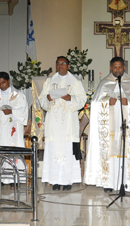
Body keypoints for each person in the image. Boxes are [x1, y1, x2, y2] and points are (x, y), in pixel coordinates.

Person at [84, 57, 130, 192]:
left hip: (126, 124)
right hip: (110, 126)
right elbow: (95, 103)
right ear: (111, 68)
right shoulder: (104, 83)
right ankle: (109, 183)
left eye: (120, 67)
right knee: (110, 151)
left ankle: (128, 182)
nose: (117, 70)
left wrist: (128, 102)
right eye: (115, 67)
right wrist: (106, 103)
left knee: (126, 150)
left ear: (124, 68)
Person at [38, 56, 86, 191]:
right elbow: (41, 100)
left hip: (68, 124)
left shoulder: (75, 82)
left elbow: (82, 99)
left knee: (67, 151)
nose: (60, 65)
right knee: (54, 151)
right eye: (58, 63)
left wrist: (71, 98)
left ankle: (67, 181)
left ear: (68, 66)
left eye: (63, 63)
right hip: (54, 123)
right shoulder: (49, 81)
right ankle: (55, 181)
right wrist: (47, 98)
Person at [0, 72, 28, 188]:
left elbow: (24, 111)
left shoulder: (18, 95)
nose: (1, 85)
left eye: (3, 82)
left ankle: (14, 179)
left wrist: (12, 112)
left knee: (12, 151)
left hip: (12, 128)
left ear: (8, 81)